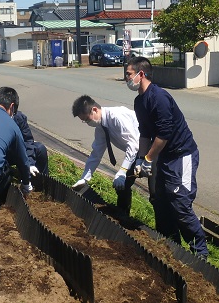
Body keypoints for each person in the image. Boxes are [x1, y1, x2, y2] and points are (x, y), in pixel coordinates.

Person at [124, 56, 208, 258]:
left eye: (128, 74)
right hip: (164, 157)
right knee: (160, 199)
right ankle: (170, 246)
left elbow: (164, 134)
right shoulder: (139, 102)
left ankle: (200, 254)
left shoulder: (159, 97)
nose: (126, 78)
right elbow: (145, 133)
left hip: (182, 155)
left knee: (179, 202)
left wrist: (148, 160)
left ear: (140, 74)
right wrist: (139, 158)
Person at [71, 95, 140, 215]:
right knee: (121, 187)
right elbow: (96, 153)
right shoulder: (101, 127)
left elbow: (133, 145)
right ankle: (123, 217)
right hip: (136, 154)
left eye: (87, 119)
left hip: (151, 151)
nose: (87, 123)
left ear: (95, 110)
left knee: (156, 194)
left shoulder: (116, 117)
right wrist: (85, 177)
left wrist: (123, 170)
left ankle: (167, 232)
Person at [12, 111, 49, 189]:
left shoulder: (19, 118)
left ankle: (42, 186)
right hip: (1, 154)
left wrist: (30, 163)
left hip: (17, 151)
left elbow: (28, 141)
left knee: (40, 148)